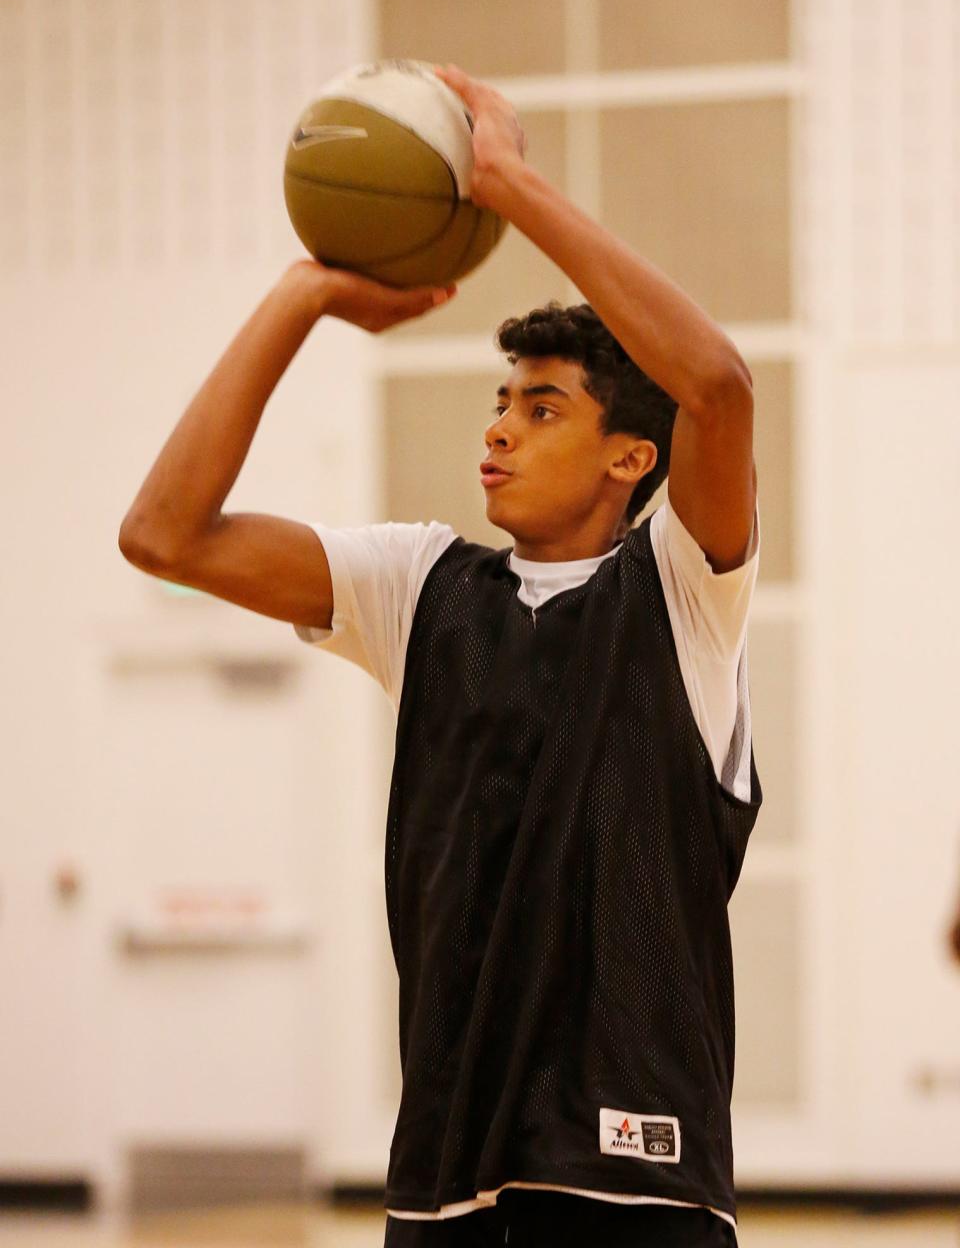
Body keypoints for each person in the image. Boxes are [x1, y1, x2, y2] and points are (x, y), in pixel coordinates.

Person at [120, 62, 761, 1248]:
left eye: (546, 406)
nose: (500, 425)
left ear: (632, 459)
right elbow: (165, 534)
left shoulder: (680, 592)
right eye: (501, 398)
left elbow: (716, 386)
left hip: (636, 1171)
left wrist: (510, 187)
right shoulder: (422, 586)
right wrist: (300, 296)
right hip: (448, 1166)